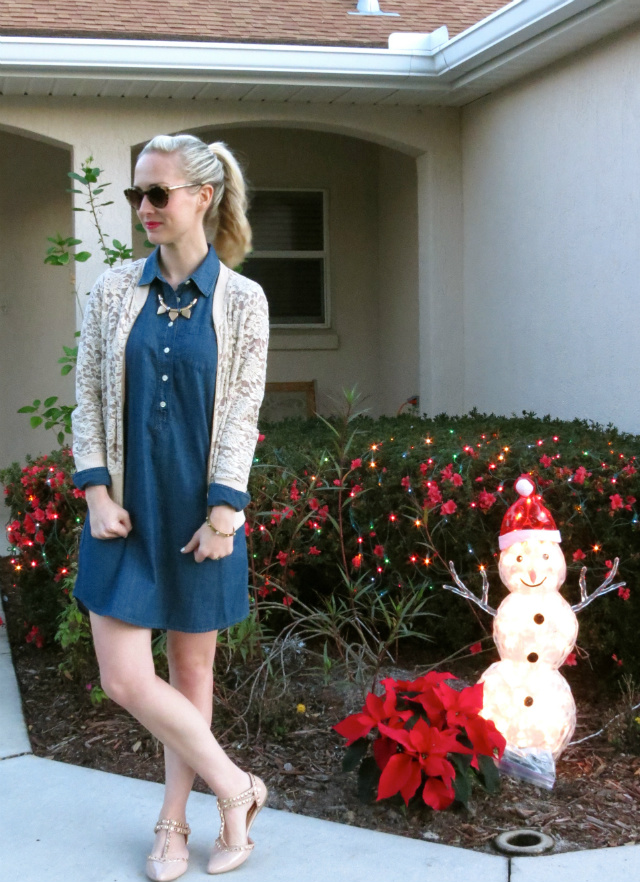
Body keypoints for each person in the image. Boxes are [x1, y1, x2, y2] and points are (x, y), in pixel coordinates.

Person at [71, 133, 269, 880]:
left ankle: (176, 825)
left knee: (191, 676)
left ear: (202, 198)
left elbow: (245, 408)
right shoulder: (112, 290)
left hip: (200, 513)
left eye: (157, 193)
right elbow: (86, 395)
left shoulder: (244, 301)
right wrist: (94, 490)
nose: (144, 208)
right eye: (135, 195)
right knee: (125, 677)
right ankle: (237, 788)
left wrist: (224, 515)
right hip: (121, 510)